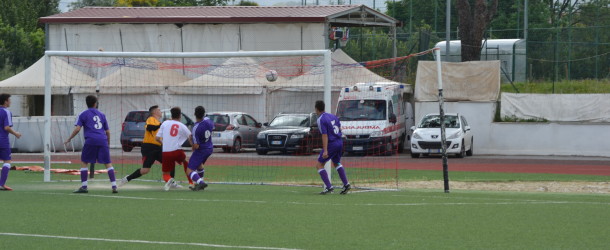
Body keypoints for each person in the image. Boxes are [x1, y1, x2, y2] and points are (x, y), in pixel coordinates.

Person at [118, 105, 181, 188]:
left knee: (170, 163)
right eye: (159, 110)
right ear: (154, 112)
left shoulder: (159, 122)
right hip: (149, 147)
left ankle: (171, 182)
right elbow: (150, 128)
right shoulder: (150, 119)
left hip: (158, 147)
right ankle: (126, 179)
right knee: (145, 170)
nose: (160, 111)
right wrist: (162, 124)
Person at [65, 95, 117, 193]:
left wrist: (69, 139)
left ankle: (84, 187)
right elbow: (108, 132)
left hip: (91, 140)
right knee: (108, 163)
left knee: (84, 162)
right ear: (95, 103)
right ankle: (114, 185)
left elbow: (77, 128)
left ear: (87, 103)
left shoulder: (83, 114)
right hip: (103, 140)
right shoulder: (102, 114)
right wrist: (108, 143)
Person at [314, 100, 351, 195]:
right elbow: (340, 128)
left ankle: (329, 187)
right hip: (339, 141)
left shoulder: (321, 119)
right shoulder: (333, 116)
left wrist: (325, 150)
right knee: (336, 162)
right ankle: (346, 184)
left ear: (316, 109)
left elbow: (324, 135)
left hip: (332, 144)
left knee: (319, 165)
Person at [156, 107, 192, 191]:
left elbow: (157, 138)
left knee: (165, 174)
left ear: (171, 115)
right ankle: (191, 183)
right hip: (177, 150)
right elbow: (190, 137)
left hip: (166, 152)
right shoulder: (182, 125)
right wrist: (193, 146)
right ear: (180, 116)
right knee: (186, 161)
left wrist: (164, 143)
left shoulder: (165, 123)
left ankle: (169, 180)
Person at [187, 106, 214, 191]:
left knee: (189, 170)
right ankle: (199, 184)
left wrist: (190, 141)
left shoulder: (196, 128)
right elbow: (212, 128)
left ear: (194, 114)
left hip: (201, 150)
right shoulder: (209, 121)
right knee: (199, 165)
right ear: (204, 113)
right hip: (209, 148)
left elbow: (196, 146)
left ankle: (201, 183)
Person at [0, 94, 22, 191]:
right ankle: (2, 184)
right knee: (7, 162)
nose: (10, 102)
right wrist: (15, 133)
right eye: (9, 100)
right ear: (5, 101)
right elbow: (7, 127)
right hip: (2, 140)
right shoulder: (6, 112)